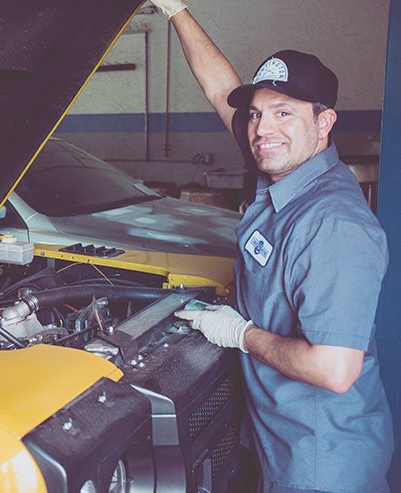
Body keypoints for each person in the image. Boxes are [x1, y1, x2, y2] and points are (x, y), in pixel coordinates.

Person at [148, 2, 394, 492]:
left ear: (324, 123)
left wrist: (240, 334)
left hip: (322, 462)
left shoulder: (333, 224)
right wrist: (175, 10)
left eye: (284, 112)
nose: (263, 130)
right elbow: (222, 92)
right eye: (258, 113)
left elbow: (335, 368)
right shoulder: (285, 172)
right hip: (280, 445)